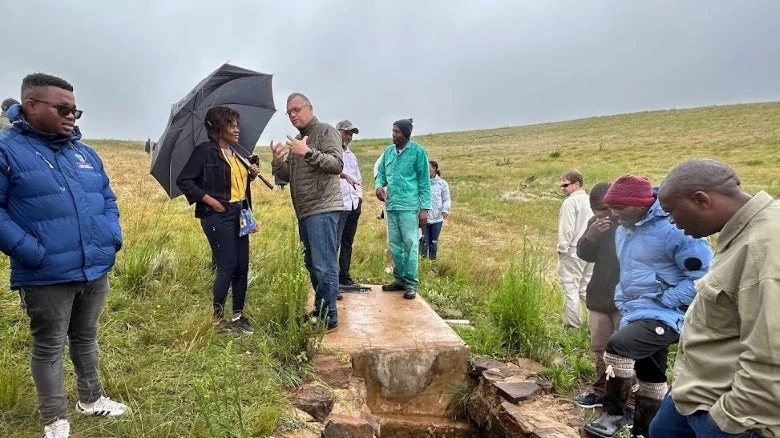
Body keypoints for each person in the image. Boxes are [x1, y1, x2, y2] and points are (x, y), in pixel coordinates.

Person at [0, 73, 127, 438]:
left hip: (94, 266)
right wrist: (31, 252)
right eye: (62, 108)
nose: (71, 116)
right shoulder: (7, 150)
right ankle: (55, 419)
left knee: (86, 336)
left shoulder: (84, 153)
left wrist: (110, 237)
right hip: (46, 273)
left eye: (75, 110)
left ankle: (91, 397)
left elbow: (107, 198)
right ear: (31, 106)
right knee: (49, 345)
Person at [649, 159, 780, 437]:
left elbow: (772, 356)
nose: (671, 221)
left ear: (701, 200)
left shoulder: (763, 248)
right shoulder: (741, 232)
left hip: (729, 414)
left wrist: (726, 420)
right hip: (697, 391)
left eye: (672, 211)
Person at [583, 175, 713, 438]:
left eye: (619, 208)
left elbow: (703, 276)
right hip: (636, 309)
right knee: (651, 376)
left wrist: (667, 300)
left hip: (666, 313)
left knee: (617, 347)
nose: (614, 214)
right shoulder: (624, 229)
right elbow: (630, 271)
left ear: (640, 204)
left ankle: (613, 415)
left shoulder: (674, 228)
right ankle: (643, 431)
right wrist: (623, 297)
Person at [177, 106, 259, 334]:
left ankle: (238, 316)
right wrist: (211, 201)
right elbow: (185, 181)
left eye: (237, 125)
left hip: (240, 213)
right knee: (227, 265)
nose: (236, 130)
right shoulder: (205, 151)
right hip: (217, 216)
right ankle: (217, 318)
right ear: (218, 128)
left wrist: (250, 174)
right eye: (231, 125)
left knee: (243, 266)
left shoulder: (237, 154)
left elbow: (236, 185)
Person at [271, 93, 343, 331]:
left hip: (322, 208)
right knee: (312, 264)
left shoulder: (325, 131)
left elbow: (336, 165)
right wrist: (277, 162)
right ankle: (321, 310)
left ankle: (329, 317)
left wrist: (308, 152)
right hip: (305, 212)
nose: (292, 115)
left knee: (324, 265)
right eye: (289, 112)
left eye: (296, 110)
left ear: (309, 108)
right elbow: (285, 177)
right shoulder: (298, 141)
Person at [573, 183, 621, 409]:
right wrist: (591, 237)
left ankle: (627, 402)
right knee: (600, 348)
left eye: (604, 209)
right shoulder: (595, 224)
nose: (601, 215)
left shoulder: (630, 224)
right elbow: (584, 254)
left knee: (626, 354)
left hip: (626, 299)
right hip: (600, 297)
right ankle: (600, 392)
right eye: (596, 211)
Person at [375, 118, 431, 300]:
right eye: (392, 131)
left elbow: (424, 182)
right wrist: (378, 186)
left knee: (410, 243)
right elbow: (381, 174)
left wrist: (425, 209)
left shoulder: (418, 152)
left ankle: (411, 282)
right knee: (394, 245)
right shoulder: (388, 152)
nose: (393, 135)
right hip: (391, 206)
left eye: (397, 132)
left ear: (406, 134)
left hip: (409, 206)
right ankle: (399, 279)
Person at [557, 170, 593, 328]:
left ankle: (573, 326)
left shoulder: (571, 202)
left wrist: (562, 249)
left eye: (565, 185)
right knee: (585, 287)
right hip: (591, 251)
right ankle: (597, 323)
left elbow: (567, 229)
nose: (563, 188)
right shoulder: (591, 200)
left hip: (573, 250)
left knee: (571, 287)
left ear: (577, 184)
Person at [335, 120, 362, 286]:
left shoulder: (352, 156)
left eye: (351, 133)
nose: (349, 136)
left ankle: (344, 275)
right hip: (339, 204)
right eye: (346, 132)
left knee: (347, 242)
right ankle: (332, 279)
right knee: (335, 242)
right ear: (337, 131)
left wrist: (359, 198)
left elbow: (358, 177)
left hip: (353, 203)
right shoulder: (333, 152)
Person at [420, 160, 451, 260]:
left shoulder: (442, 184)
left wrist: (445, 210)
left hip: (437, 219)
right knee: (424, 242)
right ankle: (422, 265)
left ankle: (432, 266)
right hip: (423, 218)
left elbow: (446, 199)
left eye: (428, 168)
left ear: (434, 169)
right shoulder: (421, 183)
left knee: (433, 243)